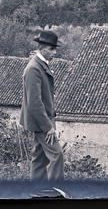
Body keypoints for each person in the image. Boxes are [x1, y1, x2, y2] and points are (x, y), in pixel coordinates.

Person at [20, 30, 64, 182]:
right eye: (52, 49)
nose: (55, 52)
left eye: (55, 48)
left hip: (42, 121)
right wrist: (48, 127)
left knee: (40, 158)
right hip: (41, 122)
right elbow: (34, 103)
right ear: (42, 48)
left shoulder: (40, 65)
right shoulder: (34, 68)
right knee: (56, 154)